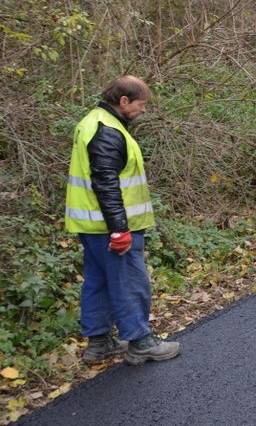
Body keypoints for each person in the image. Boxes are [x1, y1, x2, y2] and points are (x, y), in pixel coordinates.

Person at [65, 75, 181, 365]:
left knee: (98, 281)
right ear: (124, 101)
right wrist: (119, 229)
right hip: (112, 227)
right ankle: (140, 341)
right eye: (140, 105)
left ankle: (99, 342)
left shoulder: (91, 122)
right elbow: (106, 182)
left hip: (90, 225)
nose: (143, 110)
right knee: (129, 281)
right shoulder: (107, 130)